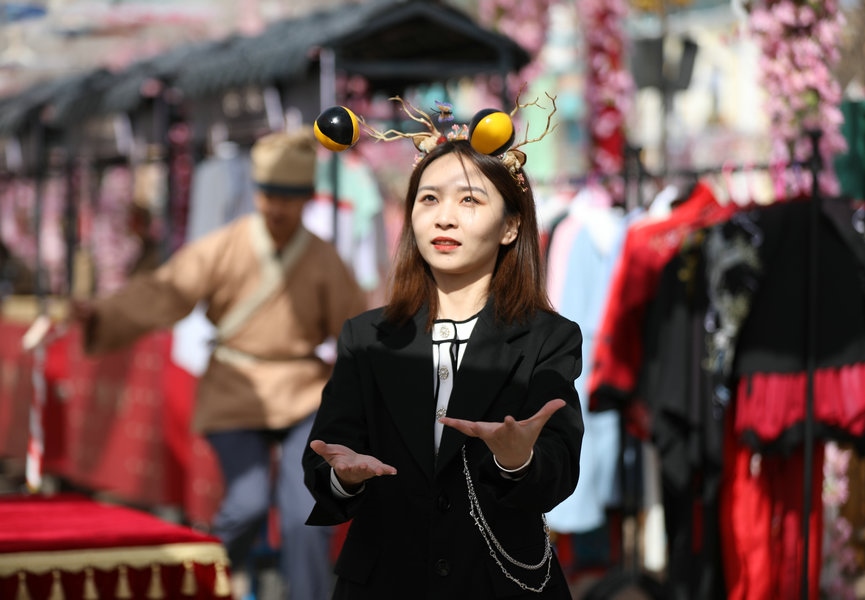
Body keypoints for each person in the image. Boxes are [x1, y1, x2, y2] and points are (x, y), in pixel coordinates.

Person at [302, 100, 585, 599]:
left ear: (511, 226)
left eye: (469, 200)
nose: (444, 218)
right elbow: (325, 460)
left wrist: (518, 459)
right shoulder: (366, 338)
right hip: (385, 584)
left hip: (500, 584)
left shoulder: (548, 337)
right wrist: (344, 477)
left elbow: (558, 468)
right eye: (429, 199)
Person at [71, 127, 368, 600]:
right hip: (235, 386)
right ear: (256, 192)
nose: (278, 207)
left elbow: (355, 329)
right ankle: (202, 581)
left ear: (307, 198)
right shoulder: (226, 245)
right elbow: (167, 291)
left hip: (301, 389)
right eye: (269, 195)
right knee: (248, 502)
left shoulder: (323, 257)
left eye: (289, 197)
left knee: (308, 511)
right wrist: (105, 313)